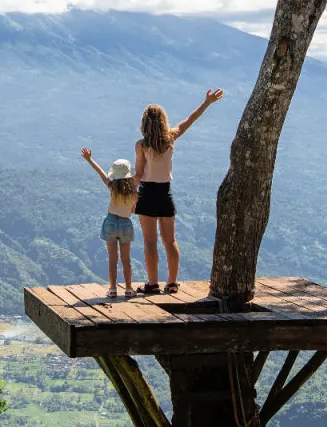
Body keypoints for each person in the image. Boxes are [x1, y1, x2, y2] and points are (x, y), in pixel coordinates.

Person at [133, 89, 224, 295]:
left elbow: (138, 174)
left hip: (147, 193)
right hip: (165, 193)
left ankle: (152, 284)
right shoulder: (171, 138)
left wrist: (124, 188)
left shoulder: (141, 145)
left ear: (144, 124)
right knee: (170, 241)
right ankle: (172, 283)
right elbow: (190, 120)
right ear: (163, 121)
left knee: (150, 241)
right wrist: (206, 102)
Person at [80, 148, 139, 298]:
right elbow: (132, 210)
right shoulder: (134, 193)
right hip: (126, 224)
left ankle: (112, 288)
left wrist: (89, 159)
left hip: (111, 221)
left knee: (113, 258)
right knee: (126, 259)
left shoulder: (112, 187)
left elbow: (100, 172)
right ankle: (128, 288)